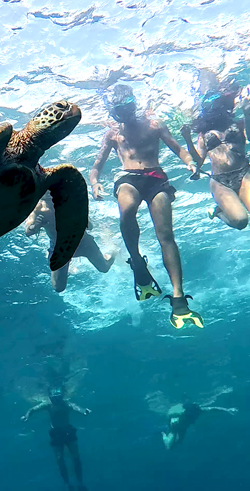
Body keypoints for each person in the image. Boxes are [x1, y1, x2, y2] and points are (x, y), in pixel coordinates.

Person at [89, 84, 204, 329]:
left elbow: (178, 149)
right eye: (119, 109)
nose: (125, 113)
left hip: (156, 178)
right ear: (115, 111)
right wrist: (95, 182)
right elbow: (97, 163)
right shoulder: (112, 134)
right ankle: (137, 261)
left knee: (166, 235)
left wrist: (190, 163)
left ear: (134, 103)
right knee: (127, 211)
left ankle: (178, 296)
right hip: (127, 177)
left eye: (127, 106)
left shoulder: (155, 124)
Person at [180, 73, 250, 231]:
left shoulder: (238, 123)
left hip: (243, 175)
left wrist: (246, 113)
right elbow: (199, 160)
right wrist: (188, 140)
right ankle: (219, 212)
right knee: (240, 221)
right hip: (219, 181)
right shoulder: (202, 135)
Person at [24, 194, 114, 293]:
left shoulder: (70, 202)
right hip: (60, 249)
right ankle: (65, 264)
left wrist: (81, 216)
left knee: (104, 268)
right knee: (58, 287)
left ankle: (113, 252)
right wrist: (36, 226)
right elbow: (28, 232)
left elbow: (90, 226)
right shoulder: (37, 209)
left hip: (83, 243)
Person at [22, 388, 91, 491]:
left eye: (58, 397)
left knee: (75, 458)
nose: (56, 400)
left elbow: (77, 407)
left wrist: (83, 411)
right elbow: (32, 410)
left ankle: (79, 483)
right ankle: (68, 484)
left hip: (67, 432)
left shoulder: (66, 404)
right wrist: (27, 416)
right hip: (57, 434)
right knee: (60, 459)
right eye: (54, 398)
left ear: (61, 396)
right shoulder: (48, 404)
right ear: (51, 397)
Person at [161, 402, 236, 450]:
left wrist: (227, 410)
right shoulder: (177, 416)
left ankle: (168, 440)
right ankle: (164, 435)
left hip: (182, 424)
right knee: (170, 446)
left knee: (178, 441)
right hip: (179, 424)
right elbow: (212, 409)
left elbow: (213, 409)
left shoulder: (197, 411)